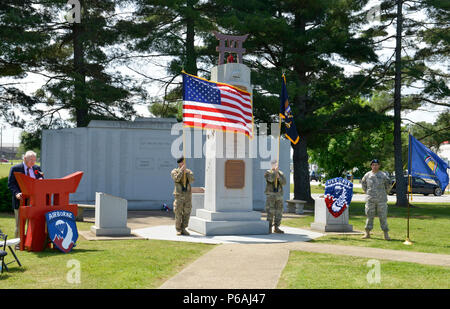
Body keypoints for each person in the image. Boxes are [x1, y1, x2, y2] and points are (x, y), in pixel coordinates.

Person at [7, 151, 44, 240]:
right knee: (19, 224)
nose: (33, 162)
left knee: (32, 223)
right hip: (20, 200)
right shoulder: (15, 168)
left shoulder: (37, 168)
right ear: (24, 159)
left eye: (34, 160)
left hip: (34, 200)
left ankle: (30, 242)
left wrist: (41, 180)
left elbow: (42, 181)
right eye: (31, 160)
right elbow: (11, 184)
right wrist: (16, 193)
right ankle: (18, 243)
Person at [361, 159, 391, 240]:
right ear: (371, 166)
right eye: (373, 165)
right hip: (370, 199)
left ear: (379, 166)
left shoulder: (383, 175)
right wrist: (368, 193)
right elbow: (363, 185)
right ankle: (367, 233)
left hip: (381, 200)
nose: (375, 166)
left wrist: (385, 193)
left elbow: (388, 185)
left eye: (376, 165)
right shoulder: (367, 175)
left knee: (383, 217)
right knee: (369, 216)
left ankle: (386, 234)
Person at [171, 157, 194, 236]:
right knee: (178, 212)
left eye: (184, 162)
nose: (184, 164)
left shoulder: (188, 171)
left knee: (187, 212)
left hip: (187, 195)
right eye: (182, 162)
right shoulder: (174, 171)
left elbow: (192, 180)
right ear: (179, 163)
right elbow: (176, 179)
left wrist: (186, 172)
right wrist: (181, 171)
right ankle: (178, 229)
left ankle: (184, 228)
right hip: (179, 195)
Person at [264, 159, 287, 234]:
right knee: (270, 211)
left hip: (279, 195)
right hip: (271, 195)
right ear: (271, 165)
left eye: (276, 164)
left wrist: (279, 177)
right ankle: (269, 227)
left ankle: (276, 227)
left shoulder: (280, 173)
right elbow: (270, 180)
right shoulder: (268, 172)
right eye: (273, 164)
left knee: (279, 212)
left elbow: (284, 182)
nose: (275, 165)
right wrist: (274, 173)